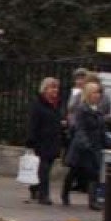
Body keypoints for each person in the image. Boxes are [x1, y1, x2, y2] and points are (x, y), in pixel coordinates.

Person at [62, 80, 106, 210]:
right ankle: (65, 194)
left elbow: (101, 129)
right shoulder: (82, 109)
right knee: (74, 171)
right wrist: (85, 142)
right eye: (95, 92)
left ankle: (92, 201)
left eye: (99, 92)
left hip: (95, 146)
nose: (98, 95)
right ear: (88, 94)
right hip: (82, 147)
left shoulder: (98, 109)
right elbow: (79, 128)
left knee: (94, 173)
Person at [25, 77, 62, 205]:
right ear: (45, 90)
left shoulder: (55, 104)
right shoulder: (38, 105)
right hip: (42, 142)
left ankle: (35, 188)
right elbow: (33, 124)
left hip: (53, 141)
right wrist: (31, 141)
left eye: (56, 87)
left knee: (44, 168)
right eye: (52, 87)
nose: (55, 90)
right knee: (44, 169)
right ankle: (43, 195)